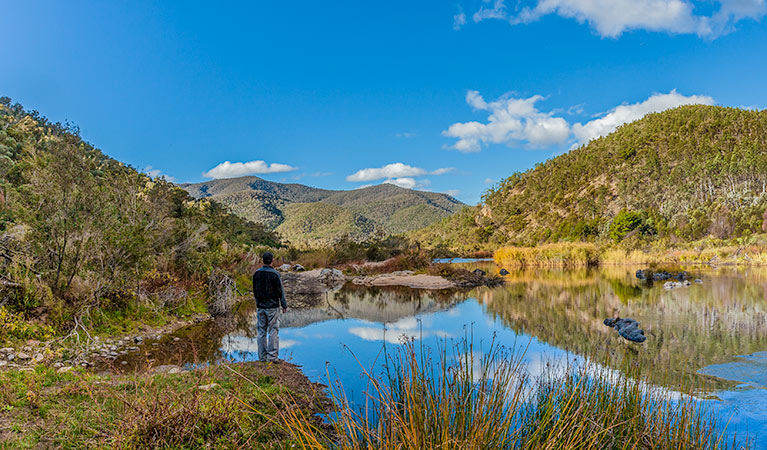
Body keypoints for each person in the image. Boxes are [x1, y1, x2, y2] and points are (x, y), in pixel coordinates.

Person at [252, 252, 287, 362]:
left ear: (263, 260)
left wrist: (258, 302)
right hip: (272, 306)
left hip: (260, 306)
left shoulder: (256, 274)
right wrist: (284, 304)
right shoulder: (275, 274)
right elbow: (280, 291)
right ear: (272, 260)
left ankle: (262, 357)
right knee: (273, 330)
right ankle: (272, 357)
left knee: (261, 331)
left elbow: (254, 290)